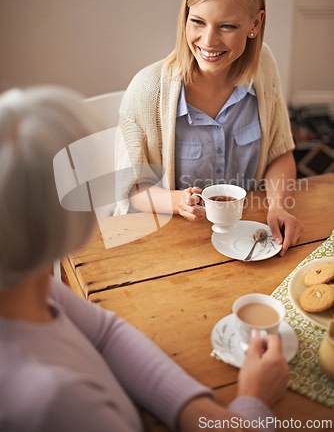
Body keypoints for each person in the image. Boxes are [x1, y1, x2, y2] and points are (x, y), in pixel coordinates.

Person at [0, 86, 289, 431]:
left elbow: (107, 334)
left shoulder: (28, 285)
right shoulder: (53, 400)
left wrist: (191, 411)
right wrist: (252, 402)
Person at [115, 0, 304, 256]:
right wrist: (178, 202)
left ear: (256, 23)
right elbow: (133, 192)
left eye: (227, 26)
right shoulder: (147, 90)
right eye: (198, 21)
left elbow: (279, 154)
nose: (208, 41)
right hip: (171, 249)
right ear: (185, 16)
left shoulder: (264, 66)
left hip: (248, 240)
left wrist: (279, 206)